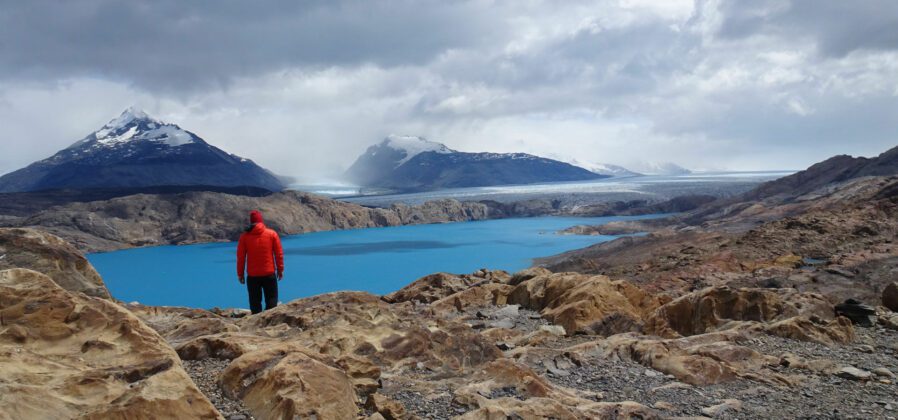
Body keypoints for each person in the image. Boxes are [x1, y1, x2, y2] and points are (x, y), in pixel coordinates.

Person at [237, 210, 284, 314]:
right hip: (269, 274)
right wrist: (280, 270)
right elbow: (279, 254)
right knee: (272, 301)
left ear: (251, 222)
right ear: (261, 221)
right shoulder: (272, 234)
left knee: (255, 304)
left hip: (253, 277)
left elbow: (241, 257)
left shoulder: (244, 237)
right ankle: (270, 325)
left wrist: (240, 274)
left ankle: (256, 325)